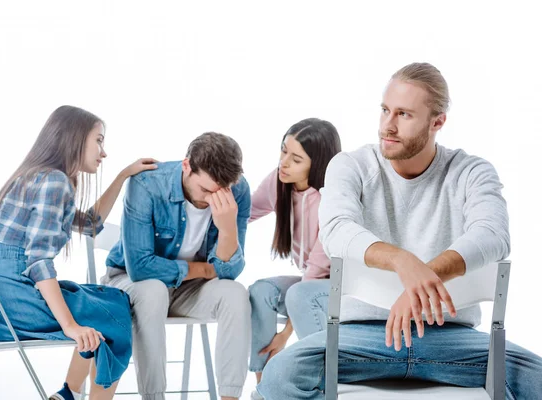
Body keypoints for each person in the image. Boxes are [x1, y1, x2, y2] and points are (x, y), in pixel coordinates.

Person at [257, 63, 542, 399]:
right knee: (277, 380)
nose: (387, 126)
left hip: (453, 341)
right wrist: (402, 262)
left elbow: (494, 234)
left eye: (404, 114)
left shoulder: (472, 171)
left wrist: (421, 279)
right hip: (361, 337)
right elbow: (336, 229)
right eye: (385, 110)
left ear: (437, 122)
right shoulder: (351, 165)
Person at [0, 105, 156, 400]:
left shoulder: (39, 176)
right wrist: (70, 326)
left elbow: (91, 224)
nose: (103, 152)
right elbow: (39, 262)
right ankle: (74, 392)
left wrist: (123, 175)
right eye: (98, 140)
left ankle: (68, 393)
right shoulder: (53, 182)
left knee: (110, 299)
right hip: (13, 301)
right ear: (75, 138)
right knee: (116, 315)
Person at [102, 132, 251, 400]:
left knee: (236, 293)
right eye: (205, 190)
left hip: (188, 290)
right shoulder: (147, 184)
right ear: (186, 166)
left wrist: (228, 230)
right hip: (130, 283)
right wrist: (203, 269)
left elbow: (228, 272)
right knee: (153, 290)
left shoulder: (237, 191)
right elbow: (140, 267)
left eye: (220, 191)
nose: (211, 200)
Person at [247, 118, 340, 399]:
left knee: (299, 292)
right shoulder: (279, 181)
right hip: (309, 286)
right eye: (283, 150)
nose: (284, 162)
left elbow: (316, 271)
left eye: (296, 158)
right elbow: (245, 213)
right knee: (261, 290)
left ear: (317, 164)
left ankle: (322, 388)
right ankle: (266, 385)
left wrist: (285, 334)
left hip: (340, 288)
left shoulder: (331, 199)